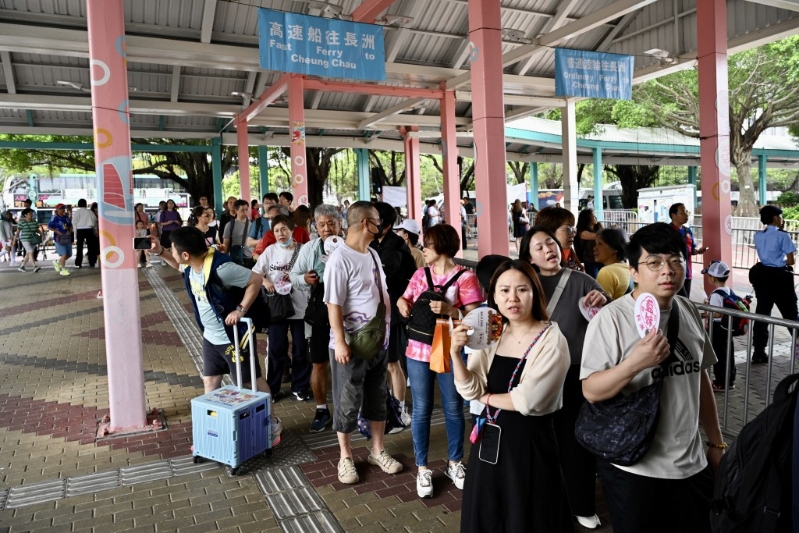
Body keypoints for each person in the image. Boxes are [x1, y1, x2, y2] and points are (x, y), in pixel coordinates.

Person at [580, 222, 724, 533]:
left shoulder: (687, 310)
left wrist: (716, 443)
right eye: (654, 262)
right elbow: (591, 390)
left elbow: (700, 378)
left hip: (692, 464)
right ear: (633, 270)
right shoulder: (611, 320)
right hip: (635, 468)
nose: (667, 271)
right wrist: (634, 364)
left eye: (675, 261)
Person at [450, 260, 571, 533]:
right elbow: (469, 388)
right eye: (504, 290)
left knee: (528, 516)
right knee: (486, 515)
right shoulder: (491, 332)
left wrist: (486, 398)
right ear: (493, 296)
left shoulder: (551, 339)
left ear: (535, 293)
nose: (512, 298)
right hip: (488, 444)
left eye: (522, 290)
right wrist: (455, 355)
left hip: (529, 446)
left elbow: (528, 401)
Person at [520, 226, 608, 529]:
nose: (548, 249)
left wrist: (603, 301)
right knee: (537, 441)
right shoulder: (523, 283)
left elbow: (608, 318)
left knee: (574, 441)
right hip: (535, 372)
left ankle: (581, 503)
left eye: (551, 243)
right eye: (539, 246)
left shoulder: (582, 281)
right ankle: (541, 500)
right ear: (529, 256)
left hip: (575, 374)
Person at [397, 224, 482, 498]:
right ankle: (422, 468)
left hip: (450, 352)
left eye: (428, 244)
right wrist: (401, 302)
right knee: (421, 409)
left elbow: (476, 320)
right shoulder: (420, 274)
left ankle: (455, 463)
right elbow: (405, 297)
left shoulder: (466, 278)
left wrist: (450, 310)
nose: (423, 248)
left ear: (442, 247)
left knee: (454, 408)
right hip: (419, 350)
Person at [323, 201, 403, 485]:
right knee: (347, 401)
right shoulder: (339, 259)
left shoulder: (371, 253)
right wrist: (341, 342)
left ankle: (377, 451)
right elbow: (333, 304)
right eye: (377, 220)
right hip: (351, 346)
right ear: (364, 222)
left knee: (377, 398)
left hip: (378, 342)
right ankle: (345, 457)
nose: (380, 225)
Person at [149, 226, 270, 394]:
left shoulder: (222, 269)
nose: (171, 251)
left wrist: (240, 309)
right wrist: (160, 251)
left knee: (250, 382)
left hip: (233, 336)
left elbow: (256, 280)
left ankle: (270, 419)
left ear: (186, 255)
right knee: (210, 382)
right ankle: (213, 420)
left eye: (172, 248)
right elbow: (179, 265)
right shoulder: (192, 264)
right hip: (211, 337)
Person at [290, 204, 341, 432]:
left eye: (331, 223)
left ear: (340, 224)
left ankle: (349, 408)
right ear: (315, 227)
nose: (327, 228)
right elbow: (293, 275)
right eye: (322, 225)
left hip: (347, 311)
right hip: (319, 311)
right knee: (318, 362)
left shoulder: (351, 247)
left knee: (349, 362)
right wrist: (305, 279)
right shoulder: (309, 248)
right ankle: (322, 409)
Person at [252, 214, 311, 402]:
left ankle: (300, 386)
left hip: (300, 307)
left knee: (301, 349)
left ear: (293, 230)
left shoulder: (304, 251)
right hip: (277, 308)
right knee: (277, 349)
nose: (280, 233)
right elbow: (255, 273)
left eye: (284, 229)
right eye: (276, 230)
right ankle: (273, 388)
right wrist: (266, 281)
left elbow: (311, 274)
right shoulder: (269, 251)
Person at [370, 202, 418, 428]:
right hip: (383, 312)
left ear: (386, 225)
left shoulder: (393, 248)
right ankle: (393, 406)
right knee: (386, 364)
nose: (367, 223)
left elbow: (383, 281)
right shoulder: (377, 243)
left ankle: (400, 410)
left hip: (394, 314)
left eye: (372, 219)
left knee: (392, 364)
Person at [750, 205, 798, 364]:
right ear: (776, 218)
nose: (783, 219)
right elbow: (790, 261)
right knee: (791, 314)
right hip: (780, 278)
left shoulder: (758, 235)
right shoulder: (782, 236)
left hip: (763, 277)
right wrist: (783, 260)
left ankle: (758, 352)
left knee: (762, 315)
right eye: (781, 216)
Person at [702, 261, 737, 391]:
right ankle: (730, 380)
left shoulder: (716, 294)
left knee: (719, 356)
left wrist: (704, 315)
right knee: (729, 353)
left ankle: (721, 382)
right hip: (727, 328)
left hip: (717, 329)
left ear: (713, 278)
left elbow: (717, 314)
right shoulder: (727, 290)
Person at [668, 203, 708, 298]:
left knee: (685, 301)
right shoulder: (667, 231)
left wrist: (698, 251)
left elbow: (692, 250)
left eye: (686, 212)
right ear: (673, 215)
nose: (686, 214)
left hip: (687, 274)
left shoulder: (688, 231)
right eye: (682, 212)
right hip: (673, 274)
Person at [534, 206, 583, 272]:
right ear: (550, 231)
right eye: (568, 229)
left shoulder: (565, 250)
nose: (573, 234)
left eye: (573, 229)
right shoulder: (541, 268)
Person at [594, 227, 632, 300]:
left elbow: (600, 307)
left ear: (615, 248)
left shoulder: (607, 272)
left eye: (600, 244)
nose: (594, 248)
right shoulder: (627, 267)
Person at [222, 200, 253, 267]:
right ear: (236, 211)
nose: (245, 212)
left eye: (246, 210)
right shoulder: (230, 225)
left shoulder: (253, 224)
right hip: (236, 257)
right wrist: (224, 258)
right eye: (242, 210)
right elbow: (226, 244)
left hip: (251, 257)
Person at [11, 208, 41, 272]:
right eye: (30, 213)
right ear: (25, 215)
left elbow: (37, 229)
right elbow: (18, 232)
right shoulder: (21, 223)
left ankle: (22, 266)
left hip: (33, 239)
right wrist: (14, 240)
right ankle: (34, 266)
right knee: (30, 251)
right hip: (25, 239)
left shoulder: (34, 221)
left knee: (28, 253)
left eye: (31, 213)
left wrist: (42, 234)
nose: (31, 214)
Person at [575, 209, 602, 278]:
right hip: (591, 262)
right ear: (587, 218)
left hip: (601, 260)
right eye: (593, 216)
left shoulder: (598, 228)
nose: (595, 217)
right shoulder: (582, 233)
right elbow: (597, 236)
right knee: (594, 281)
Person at [72, 199, 98, 269]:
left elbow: (74, 223)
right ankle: (92, 262)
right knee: (91, 247)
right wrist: (95, 229)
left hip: (80, 230)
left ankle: (78, 263)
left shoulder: (77, 212)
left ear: (78, 204)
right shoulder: (89, 212)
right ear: (86, 204)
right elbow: (95, 220)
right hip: (89, 229)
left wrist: (75, 233)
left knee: (79, 247)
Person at [49, 203, 73, 276]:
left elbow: (70, 225)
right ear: (57, 209)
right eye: (61, 208)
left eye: (63, 208)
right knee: (63, 254)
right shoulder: (54, 217)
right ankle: (63, 269)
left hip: (67, 237)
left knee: (69, 254)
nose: (63, 210)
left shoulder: (66, 217)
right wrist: (57, 231)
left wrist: (70, 231)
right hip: (59, 238)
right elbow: (49, 226)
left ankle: (58, 263)